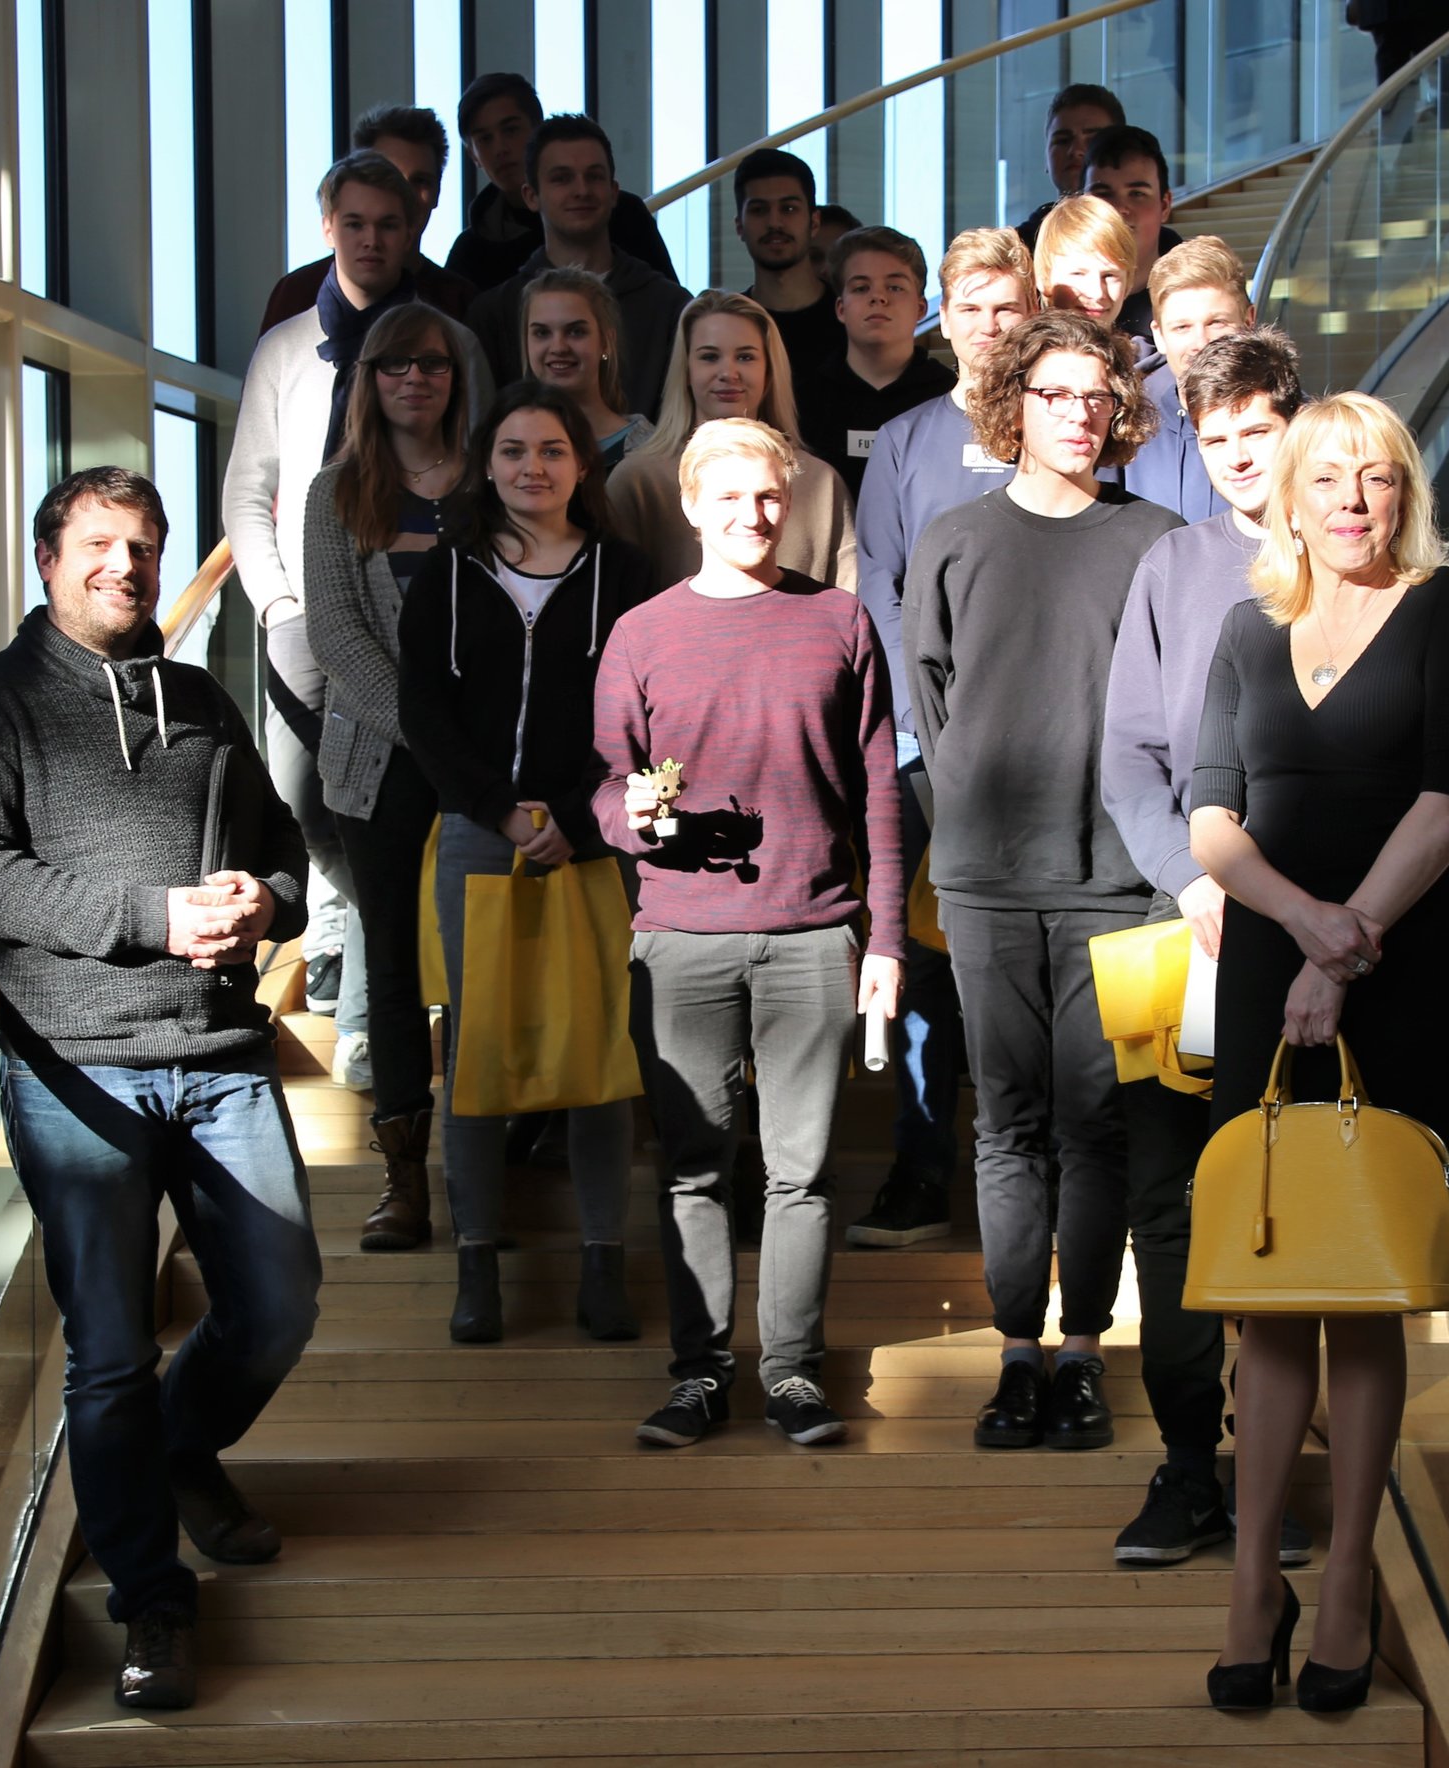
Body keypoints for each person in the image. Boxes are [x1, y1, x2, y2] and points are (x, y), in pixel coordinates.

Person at [0, 467, 320, 1713]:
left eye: (143, 547)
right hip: (72, 1072)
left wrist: (268, 899)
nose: (128, 567)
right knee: (103, 1354)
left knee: (277, 1304)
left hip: (215, 1058)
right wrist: (148, 918)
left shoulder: (200, 698)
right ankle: (151, 1602)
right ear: (49, 560)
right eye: (100, 544)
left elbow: (284, 853)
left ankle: (177, 1446)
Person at [1190, 392, 1449, 1711]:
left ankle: (1346, 1586)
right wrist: (1304, 931)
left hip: (1397, 972)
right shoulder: (1244, 628)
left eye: (1378, 476)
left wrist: (1350, 940)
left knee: (1365, 1282)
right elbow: (1211, 821)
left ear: (1404, 492)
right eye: (1331, 475)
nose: (1355, 499)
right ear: (1291, 493)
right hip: (1275, 957)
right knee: (1269, 1284)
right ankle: (1253, 1577)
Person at [592, 417, 905, 1448]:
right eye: (727, 496)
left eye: (767, 496)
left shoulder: (838, 622)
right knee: (690, 1164)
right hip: (680, 933)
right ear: (688, 505)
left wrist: (888, 938)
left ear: (792, 501)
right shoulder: (641, 632)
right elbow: (607, 783)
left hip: (813, 932)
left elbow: (876, 795)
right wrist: (625, 818)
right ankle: (697, 1372)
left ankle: (791, 1372)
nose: (751, 514)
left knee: (801, 1169)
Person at [904, 310, 1177, 1453]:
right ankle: (1015, 1351)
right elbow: (929, 700)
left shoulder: (1153, 539)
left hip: (1115, 878)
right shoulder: (952, 538)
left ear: (1120, 412)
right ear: (1012, 404)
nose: (1076, 414)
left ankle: (1080, 1352)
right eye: (1055, 393)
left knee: (1094, 1124)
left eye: (1095, 396)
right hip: (982, 877)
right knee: (1005, 1122)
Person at [1101, 327, 1308, 1566]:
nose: (1236, 457)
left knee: (1289, 1198)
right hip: (1184, 931)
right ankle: (1187, 1467)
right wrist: (1186, 878)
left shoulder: (1355, 560)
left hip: (1317, 938)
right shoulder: (1171, 566)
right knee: (1170, 1203)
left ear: (1295, 421)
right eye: (1212, 437)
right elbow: (1128, 751)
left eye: (1254, 431)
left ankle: (1279, 1469)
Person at [222, 151, 491, 1091]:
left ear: (413, 225)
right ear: (328, 223)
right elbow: (248, 488)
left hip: (446, 674)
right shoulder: (290, 346)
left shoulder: (455, 342)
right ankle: (349, 961)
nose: (374, 239)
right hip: (317, 607)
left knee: (425, 860)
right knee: (312, 808)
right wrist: (281, 603)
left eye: (391, 223)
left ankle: (370, 1011)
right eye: (357, 222)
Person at [398, 383, 659, 1344]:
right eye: (513, 451)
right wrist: (499, 812)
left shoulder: (625, 574)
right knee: (476, 1049)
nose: (532, 468)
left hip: (593, 842)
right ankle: (478, 1264)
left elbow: (647, 714)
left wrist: (585, 825)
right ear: (486, 464)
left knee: (598, 1047)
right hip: (479, 834)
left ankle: (603, 1264)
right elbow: (422, 712)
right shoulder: (449, 573)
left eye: (552, 450)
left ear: (581, 466)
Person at [845, 226, 1035, 1248]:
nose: (988, 324)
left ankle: (1030, 1169)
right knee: (920, 960)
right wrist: (919, 718)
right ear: (942, 316)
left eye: (1007, 306)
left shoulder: (1059, 426)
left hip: (1044, 750)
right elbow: (876, 580)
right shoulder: (909, 440)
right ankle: (919, 1172)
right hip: (925, 746)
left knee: (1024, 960)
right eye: (969, 305)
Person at [302, 306, 472, 1255]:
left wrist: (470, 744)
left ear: (455, 375)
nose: (415, 378)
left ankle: (488, 1156)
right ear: (369, 380)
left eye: (433, 363)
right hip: (379, 766)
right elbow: (338, 642)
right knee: (398, 971)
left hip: (486, 763)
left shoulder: (492, 481)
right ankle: (404, 1179)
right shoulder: (337, 494)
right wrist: (433, 734)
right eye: (394, 364)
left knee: (484, 963)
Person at [606, 290, 857, 592]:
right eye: (709, 357)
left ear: (769, 370)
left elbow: (848, 610)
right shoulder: (637, 482)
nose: (728, 372)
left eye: (746, 356)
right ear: (686, 369)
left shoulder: (822, 483)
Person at [464, 115, 691, 420]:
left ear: (613, 193)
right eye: (562, 178)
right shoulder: (493, 314)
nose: (581, 190)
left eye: (594, 176)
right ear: (531, 196)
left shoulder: (670, 307)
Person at [446, 72, 678, 291]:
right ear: (473, 155)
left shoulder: (621, 214)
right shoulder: (471, 253)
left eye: (511, 130)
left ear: (537, 130)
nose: (500, 149)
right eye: (485, 139)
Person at [259, 105, 477, 334]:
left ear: (438, 192)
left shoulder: (460, 302)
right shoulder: (298, 293)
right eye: (388, 176)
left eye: (420, 181)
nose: (405, 195)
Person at [795, 225, 955, 500]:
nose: (878, 297)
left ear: (920, 308)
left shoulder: (948, 395)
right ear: (840, 308)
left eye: (894, 286)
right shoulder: (804, 398)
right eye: (861, 287)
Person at [1124, 236, 1256, 522]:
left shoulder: (1295, 423)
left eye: (1216, 323)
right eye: (1182, 327)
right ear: (1159, 335)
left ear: (1249, 320)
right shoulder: (1128, 419)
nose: (1201, 342)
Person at [728, 147, 842, 398]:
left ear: (814, 223)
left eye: (788, 209)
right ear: (739, 226)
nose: (774, 223)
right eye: (759, 210)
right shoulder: (729, 325)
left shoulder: (850, 319)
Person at [520, 264, 652, 465]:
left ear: (606, 342)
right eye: (542, 333)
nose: (558, 347)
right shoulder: (505, 445)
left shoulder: (650, 451)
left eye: (575, 332)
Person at [1083, 124, 1187, 340]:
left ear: (1165, 205)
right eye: (1103, 193)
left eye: (1137, 194)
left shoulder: (1197, 297)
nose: (1120, 208)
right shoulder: (1053, 297)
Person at [1015, 82, 1124, 248]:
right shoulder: (1019, 248)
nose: (1076, 150)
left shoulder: (1158, 245)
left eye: (1092, 140)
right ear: (1046, 158)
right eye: (1062, 141)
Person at [1034, 193, 1138, 334]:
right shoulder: (1022, 354)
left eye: (1110, 276)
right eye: (1078, 274)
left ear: (1128, 282)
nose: (1097, 293)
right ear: (1043, 277)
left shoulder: (1149, 354)